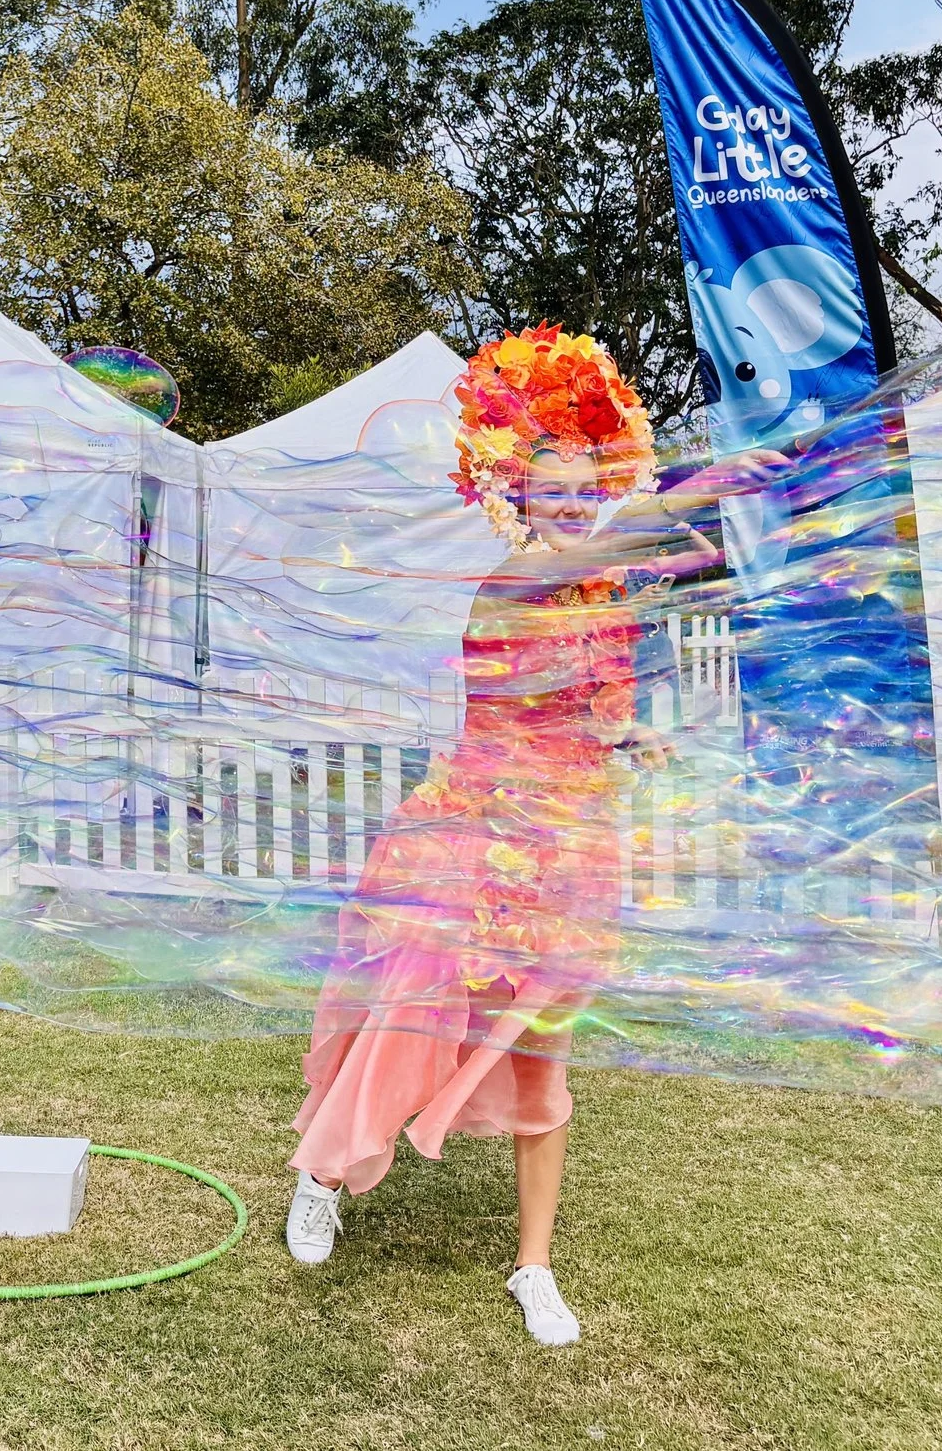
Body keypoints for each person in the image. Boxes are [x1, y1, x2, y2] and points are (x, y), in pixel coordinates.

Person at [282, 326, 756, 1346]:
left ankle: (533, 1264)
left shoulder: (605, 604)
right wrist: (702, 481)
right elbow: (608, 553)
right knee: (407, 1021)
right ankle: (321, 1176)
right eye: (555, 486)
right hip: (466, 842)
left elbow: (595, 707)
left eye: (589, 481)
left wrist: (634, 741)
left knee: (544, 1055)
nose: (573, 499)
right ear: (519, 492)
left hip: (569, 847)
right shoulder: (510, 582)